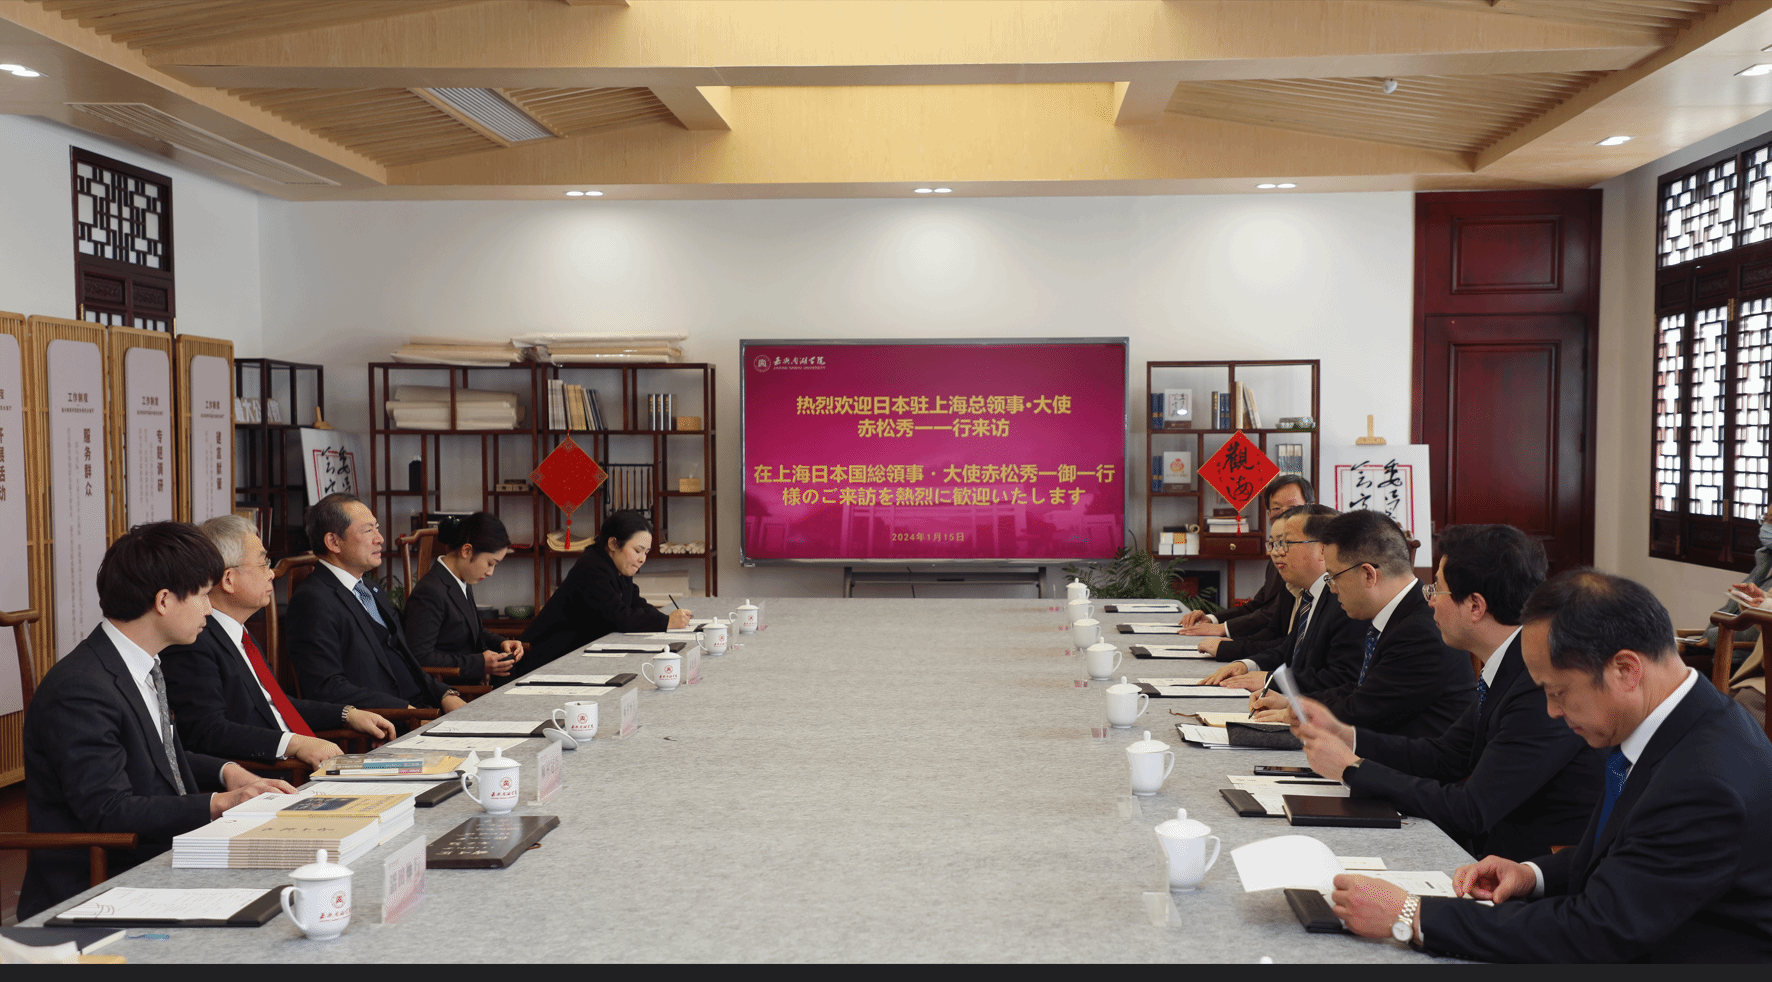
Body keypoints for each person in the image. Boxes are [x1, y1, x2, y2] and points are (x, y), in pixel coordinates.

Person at [1329, 570, 1772, 962]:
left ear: (1625, 670)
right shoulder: (1683, 718)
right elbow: (1631, 851)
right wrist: (1533, 874)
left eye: (1558, 692)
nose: (1552, 712)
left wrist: (1411, 914)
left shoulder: (1703, 782)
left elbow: (1595, 932)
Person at [19, 522, 297, 920]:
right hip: (104, 886)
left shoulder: (139, 664)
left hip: (166, 858)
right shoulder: (80, 688)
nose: (209, 608)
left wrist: (227, 773)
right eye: (202, 595)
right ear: (164, 600)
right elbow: (109, 810)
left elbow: (154, 757)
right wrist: (220, 803)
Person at [1291, 524, 1603, 861]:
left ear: (1475, 606)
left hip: (1525, 869)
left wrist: (1352, 768)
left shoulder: (1540, 686)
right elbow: (1443, 756)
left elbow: (1471, 809)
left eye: (1436, 590)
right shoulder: (1508, 664)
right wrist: (1345, 735)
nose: (1430, 603)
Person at [160, 515, 397, 768]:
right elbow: (208, 731)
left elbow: (275, 704)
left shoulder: (241, 635)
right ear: (229, 579)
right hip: (269, 777)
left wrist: (347, 714)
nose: (272, 574)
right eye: (263, 563)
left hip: (301, 767)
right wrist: (296, 744)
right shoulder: (194, 643)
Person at [1251, 509, 1472, 737]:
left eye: (1333, 577)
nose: (1332, 589)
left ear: (1368, 575)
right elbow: (1363, 689)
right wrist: (1293, 702)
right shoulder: (1401, 612)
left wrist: (1295, 711)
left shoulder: (1419, 631)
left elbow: (1363, 710)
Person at [286, 494, 466, 713]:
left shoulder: (371, 589)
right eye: (368, 530)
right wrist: (405, 711)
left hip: (421, 710)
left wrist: (444, 694)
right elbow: (327, 688)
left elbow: (406, 658)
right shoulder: (312, 600)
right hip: (387, 721)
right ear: (333, 542)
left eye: (377, 528)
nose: (379, 538)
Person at [1197, 505, 1364, 693]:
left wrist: (1268, 680)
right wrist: (1246, 665)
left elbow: (1342, 679)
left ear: (1322, 549)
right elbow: (1288, 650)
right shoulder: (1311, 594)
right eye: (1276, 544)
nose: (1278, 552)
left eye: (1287, 543)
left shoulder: (1345, 601)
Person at [520, 510, 694, 671]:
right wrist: (665, 622)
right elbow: (619, 617)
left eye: (646, 553)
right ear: (613, 543)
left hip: (575, 656)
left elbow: (635, 603)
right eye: (637, 551)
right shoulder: (591, 568)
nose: (642, 559)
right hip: (546, 661)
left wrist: (667, 620)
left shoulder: (618, 565)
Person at [1178, 475, 1313, 659]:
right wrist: (1213, 620)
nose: (1283, 514)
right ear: (1268, 514)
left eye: (1292, 507)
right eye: (1276, 508)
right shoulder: (1277, 555)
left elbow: (1273, 621)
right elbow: (1258, 607)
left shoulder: (1312, 569)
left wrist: (1225, 635)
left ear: (1311, 509)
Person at [403, 512, 525, 682]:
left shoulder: (460, 580)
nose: (490, 572)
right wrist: (479, 663)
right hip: (450, 691)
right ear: (466, 550)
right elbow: (419, 657)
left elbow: (470, 630)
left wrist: (501, 642)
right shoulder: (429, 592)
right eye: (490, 563)